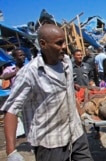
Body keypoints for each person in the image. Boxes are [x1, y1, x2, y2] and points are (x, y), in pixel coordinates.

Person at [0, 24, 93, 161]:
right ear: (43, 44)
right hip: (50, 143)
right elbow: (11, 110)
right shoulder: (30, 73)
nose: (63, 47)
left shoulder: (66, 62)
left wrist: (82, 114)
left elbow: (68, 93)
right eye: (59, 43)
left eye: (64, 42)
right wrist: (11, 151)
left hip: (76, 135)